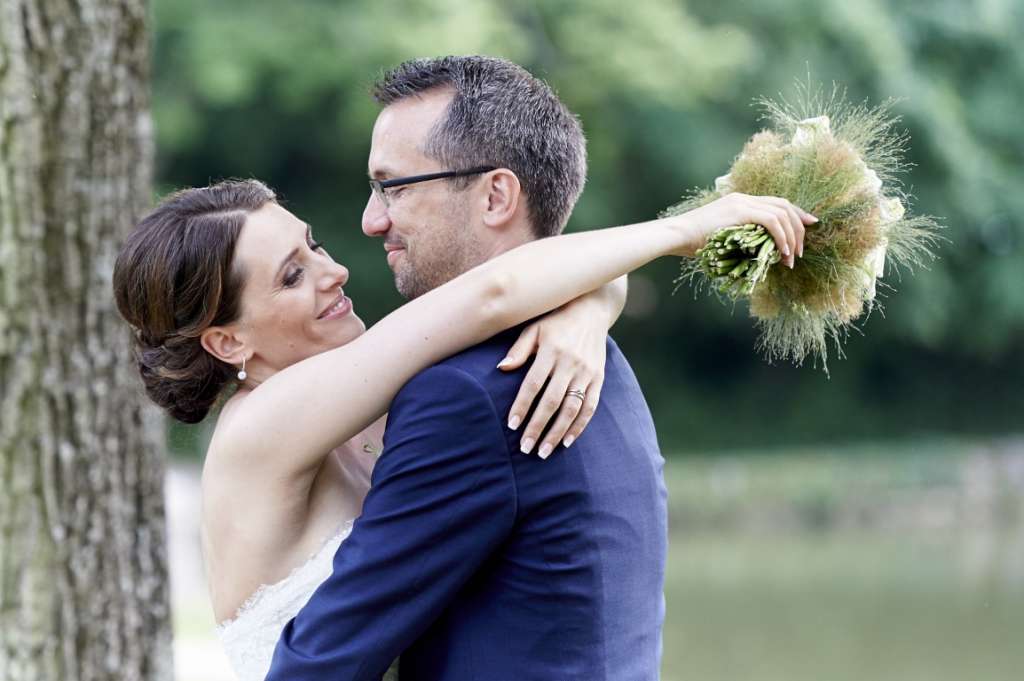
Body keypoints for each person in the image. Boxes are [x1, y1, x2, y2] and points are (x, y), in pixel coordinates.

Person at [112, 59, 810, 681]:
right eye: (292, 275)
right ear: (228, 343)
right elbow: (491, 295)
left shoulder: (381, 388)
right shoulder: (263, 425)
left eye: (313, 246)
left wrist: (589, 310)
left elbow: (511, 291)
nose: (336, 267)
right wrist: (683, 230)